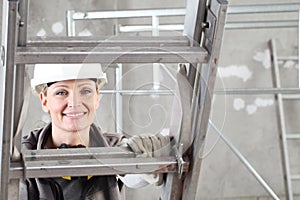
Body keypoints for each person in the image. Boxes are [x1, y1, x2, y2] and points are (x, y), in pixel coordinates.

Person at [22, 63, 170, 200]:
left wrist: (149, 163)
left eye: (85, 91)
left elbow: (131, 178)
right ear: (44, 101)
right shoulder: (21, 154)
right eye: (61, 92)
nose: (74, 103)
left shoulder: (115, 146)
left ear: (97, 97)